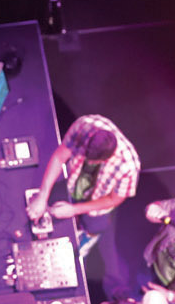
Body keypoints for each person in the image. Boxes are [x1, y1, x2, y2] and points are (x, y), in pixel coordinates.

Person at [24, 113, 140, 294]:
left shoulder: (129, 166)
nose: (88, 161)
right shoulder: (84, 125)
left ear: (107, 158)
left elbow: (114, 199)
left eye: (93, 161)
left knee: (96, 226)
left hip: (99, 201)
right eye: (86, 156)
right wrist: (42, 196)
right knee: (50, 210)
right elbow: (59, 158)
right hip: (74, 184)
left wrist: (74, 210)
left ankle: (83, 244)